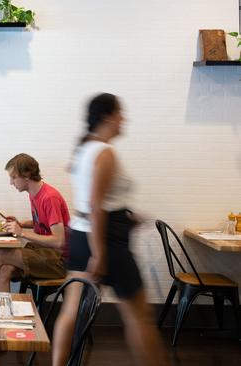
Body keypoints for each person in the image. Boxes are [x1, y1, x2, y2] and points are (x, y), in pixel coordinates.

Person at [52, 93, 168, 366]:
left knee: (71, 310)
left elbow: (93, 203)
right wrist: (100, 253)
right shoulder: (104, 152)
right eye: (120, 113)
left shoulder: (84, 149)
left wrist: (124, 216)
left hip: (82, 233)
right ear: (107, 117)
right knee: (140, 315)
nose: (123, 119)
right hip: (104, 239)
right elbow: (96, 205)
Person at [0, 153, 70, 358]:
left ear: (26, 175)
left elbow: (59, 241)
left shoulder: (48, 196)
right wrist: (22, 223)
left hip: (57, 260)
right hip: (43, 253)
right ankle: (1, 334)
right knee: (4, 270)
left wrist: (21, 232)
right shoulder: (36, 193)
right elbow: (44, 226)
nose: (11, 182)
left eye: (13, 177)